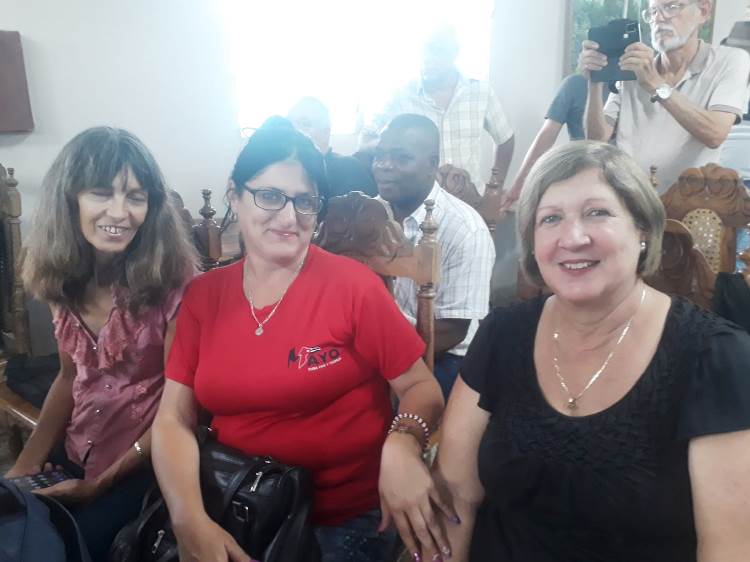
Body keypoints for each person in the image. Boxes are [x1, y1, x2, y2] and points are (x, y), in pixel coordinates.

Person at [422, 140, 750, 562]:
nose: (572, 238)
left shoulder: (718, 359)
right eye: (551, 218)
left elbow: (728, 549)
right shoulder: (502, 334)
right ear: (533, 243)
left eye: (597, 213)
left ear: (643, 230)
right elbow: (456, 501)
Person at [151, 124, 449, 562]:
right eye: (270, 196)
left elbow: (422, 387)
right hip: (235, 500)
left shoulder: (353, 287)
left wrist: (403, 442)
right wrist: (189, 519)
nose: (290, 218)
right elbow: (173, 417)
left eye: (306, 201)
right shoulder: (204, 296)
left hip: (338, 519)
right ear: (235, 194)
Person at [5, 126, 197, 560]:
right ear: (69, 199)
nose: (120, 212)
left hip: (145, 460)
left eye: (135, 196)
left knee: (72, 546)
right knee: (17, 527)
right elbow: (68, 377)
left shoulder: (175, 286)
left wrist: (98, 484)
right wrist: (25, 464)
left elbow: (179, 409)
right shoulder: (62, 276)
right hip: (77, 446)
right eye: (101, 193)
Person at [373, 113, 495, 401]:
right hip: (379, 343)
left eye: (401, 158)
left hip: (444, 356)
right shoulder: (370, 213)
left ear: (431, 164)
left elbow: (453, 329)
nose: (384, 165)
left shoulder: (465, 229)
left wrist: (381, 357)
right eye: (379, 155)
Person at [580, 0, 750, 192]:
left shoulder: (730, 60)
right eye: (653, 11)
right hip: (631, 196)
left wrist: (655, 84)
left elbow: (715, 134)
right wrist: (595, 82)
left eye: (671, 7)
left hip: (691, 202)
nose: (659, 18)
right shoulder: (633, 71)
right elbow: (596, 139)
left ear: (703, 11)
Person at [372, 26, 514, 192]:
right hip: (419, 199)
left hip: (470, 198)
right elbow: (371, 139)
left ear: (454, 52)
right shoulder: (401, 96)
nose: (428, 58)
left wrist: (495, 189)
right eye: (424, 50)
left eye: (437, 50)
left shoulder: (480, 92)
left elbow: (505, 139)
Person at [504, 74, 609, 209]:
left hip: (622, 177)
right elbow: (546, 135)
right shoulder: (574, 84)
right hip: (582, 176)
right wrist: (519, 186)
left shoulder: (628, 88)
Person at [288, 97, 378, 197]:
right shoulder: (284, 170)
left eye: (305, 124)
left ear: (325, 132)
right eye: (289, 125)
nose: (295, 130)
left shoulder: (350, 169)